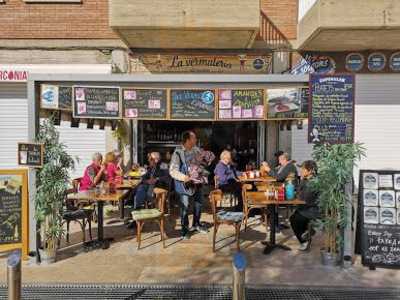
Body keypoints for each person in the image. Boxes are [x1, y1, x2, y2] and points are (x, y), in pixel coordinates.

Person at [170, 131, 208, 239]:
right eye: (194, 138)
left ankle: (196, 224)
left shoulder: (196, 150)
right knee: (185, 206)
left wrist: (202, 170)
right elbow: (172, 171)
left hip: (197, 183)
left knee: (199, 203)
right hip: (184, 185)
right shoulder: (178, 153)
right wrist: (184, 177)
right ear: (188, 140)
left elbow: (202, 163)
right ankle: (184, 229)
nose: (196, 140)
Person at [290, 160, 319, 251]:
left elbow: (302, 198)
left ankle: (304, 241)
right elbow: (299, 192)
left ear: (310, 171)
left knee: (294, 219)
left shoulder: (313, 182)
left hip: (313, 209)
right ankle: (306, 233)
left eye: (303, 169)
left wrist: (301, 183)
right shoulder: (307, 179)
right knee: (296, 215)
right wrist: (302, 180)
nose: (301, 171)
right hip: (307, 207)